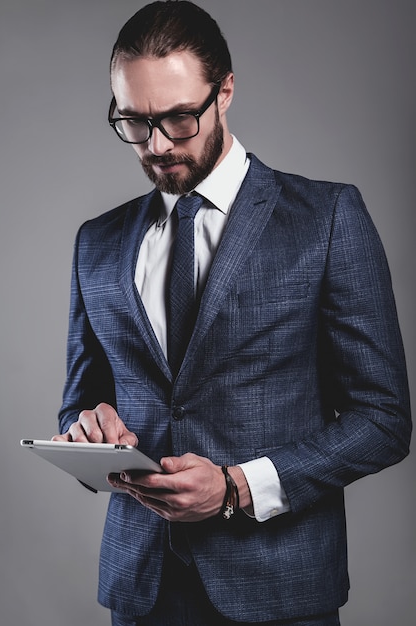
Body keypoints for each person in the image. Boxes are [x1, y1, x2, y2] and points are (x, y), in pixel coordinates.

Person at [54, 2, 411, 625]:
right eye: (134, 122)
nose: (157, 145)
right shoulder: (98, 242)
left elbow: (383, 420)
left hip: (280, 590)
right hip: (141, 588)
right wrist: (91, 436)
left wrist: (237, 486)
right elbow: (80, 403)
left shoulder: (326, 219)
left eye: (178, 118)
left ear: (225, 93)